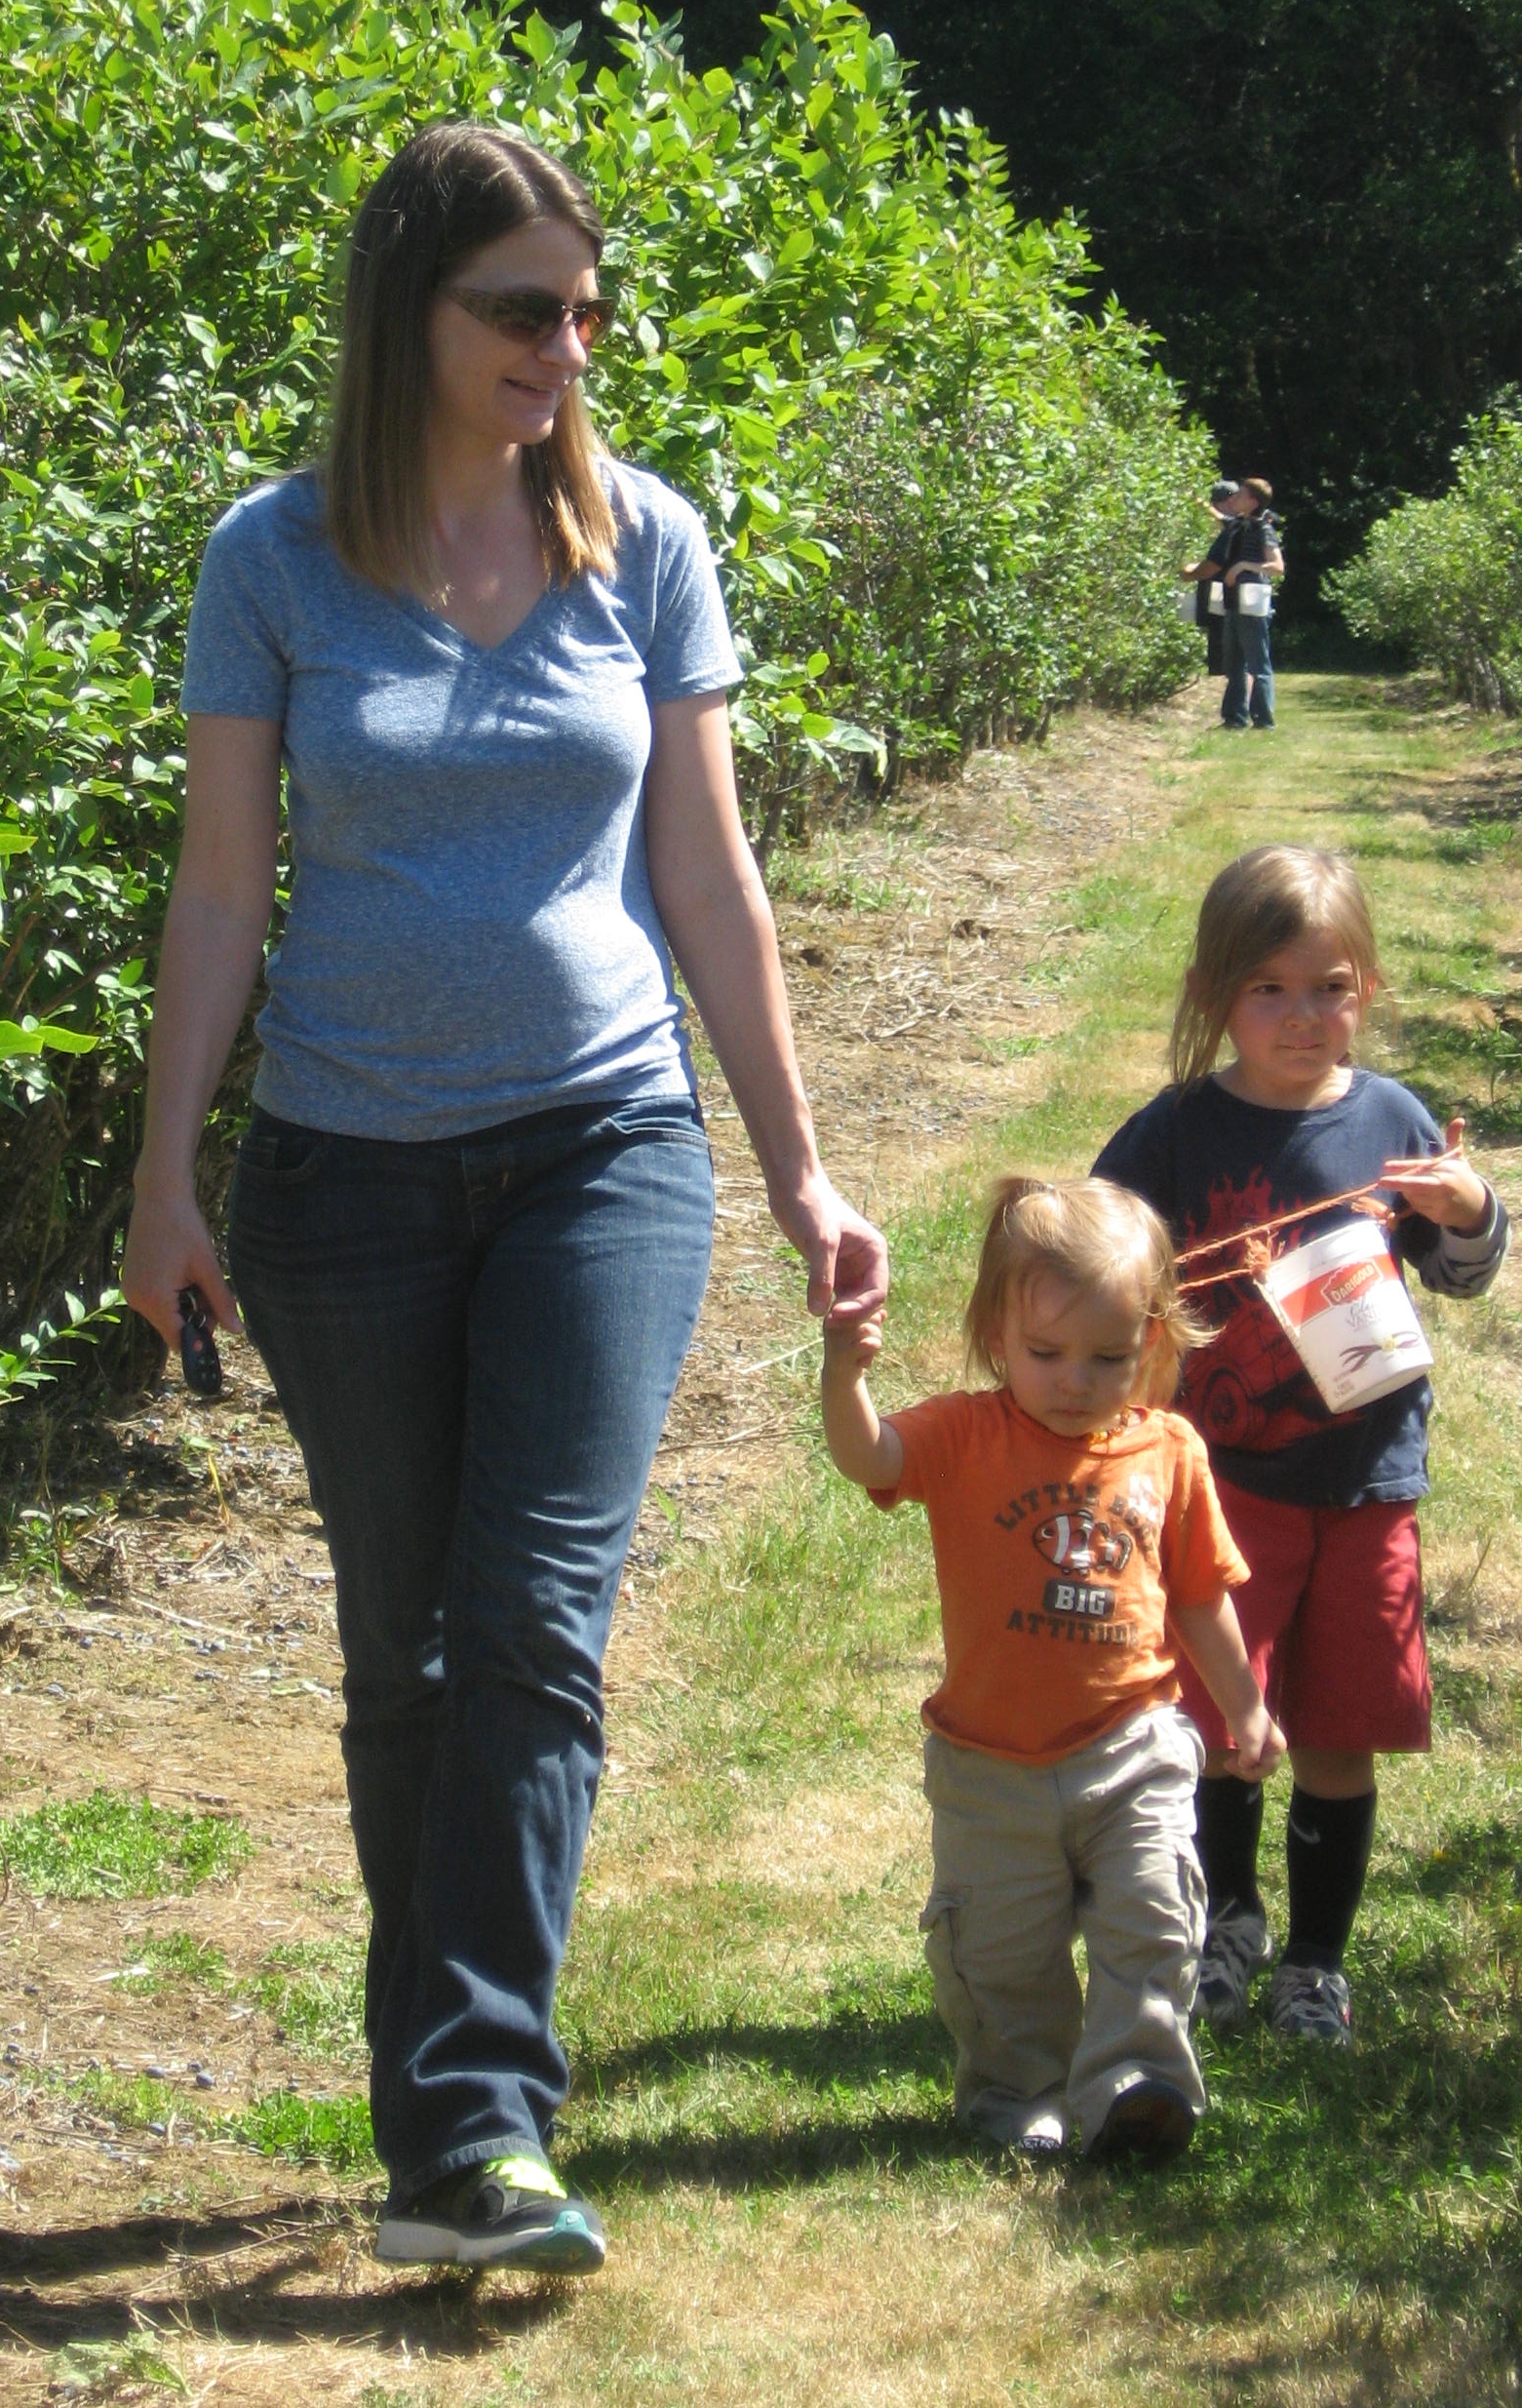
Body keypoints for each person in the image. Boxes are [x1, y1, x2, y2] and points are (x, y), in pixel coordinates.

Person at [121, 122, 886, 2274]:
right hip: (341, 1172)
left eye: (586, 310)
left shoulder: (646, 542)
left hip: (603, 1147)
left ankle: (478, 2121)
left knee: (536, 1620)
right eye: (522, 308)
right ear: (412, 312)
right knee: (409, 1650)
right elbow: (218, 890)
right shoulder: (272, 558)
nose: (569, 346)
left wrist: (799, 1160)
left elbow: (707, 877)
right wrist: (163, 1175)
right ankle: (445, 2128)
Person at [1094, 847, 1508, 2045]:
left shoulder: (1388, 1122)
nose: (1300, 1017)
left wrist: (1468, 1212)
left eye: (1328, 988)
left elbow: (1459, 1275)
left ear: (1365, 989)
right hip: (1221, 1490)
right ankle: (1225, 1925)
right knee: (1220, 1727)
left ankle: (1315, 1964)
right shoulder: (1176, 1133)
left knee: (1338, 1731)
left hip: (1367, 1484)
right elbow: (1096, 1255)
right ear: (1211, 995)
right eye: (1267, 989)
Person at [820, 1177, 1283, 2161]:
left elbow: (1199, 1595)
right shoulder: (965, 1434)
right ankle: (1017, 2091)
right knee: (999, 1952)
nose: (1075, 1380)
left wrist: (1243, 1705)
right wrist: (843, 1377)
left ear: (1150, 1339)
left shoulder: (1168, 1451)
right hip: (990, 1767)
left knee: (1154, 1914)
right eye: (1045, 1354)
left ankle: (1136, 2083)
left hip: (1133, 1745)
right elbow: (870, 1459)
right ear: (996, 1336)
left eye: (1108, 1357)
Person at [1218, 478, 1283, 730]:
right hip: (1234, 601)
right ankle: (1234, 718)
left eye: (1240, 495)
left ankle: (1264, 720)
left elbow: (1277, 567)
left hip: (1253, 604)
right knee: (1233, 664)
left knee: (1258, 665)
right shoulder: (1238, 525)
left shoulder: (1263, 529)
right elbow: (1217, 516)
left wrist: (1243, 566)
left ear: (1253, 502)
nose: (1234, 498)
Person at [1183, 478, 1241, 676]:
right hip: (1211, 588)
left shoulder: (1235, 525)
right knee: (1216, 631)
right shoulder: (1206, 525)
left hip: (1224, 589)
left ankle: (1225, 673)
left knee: (1223, 634)